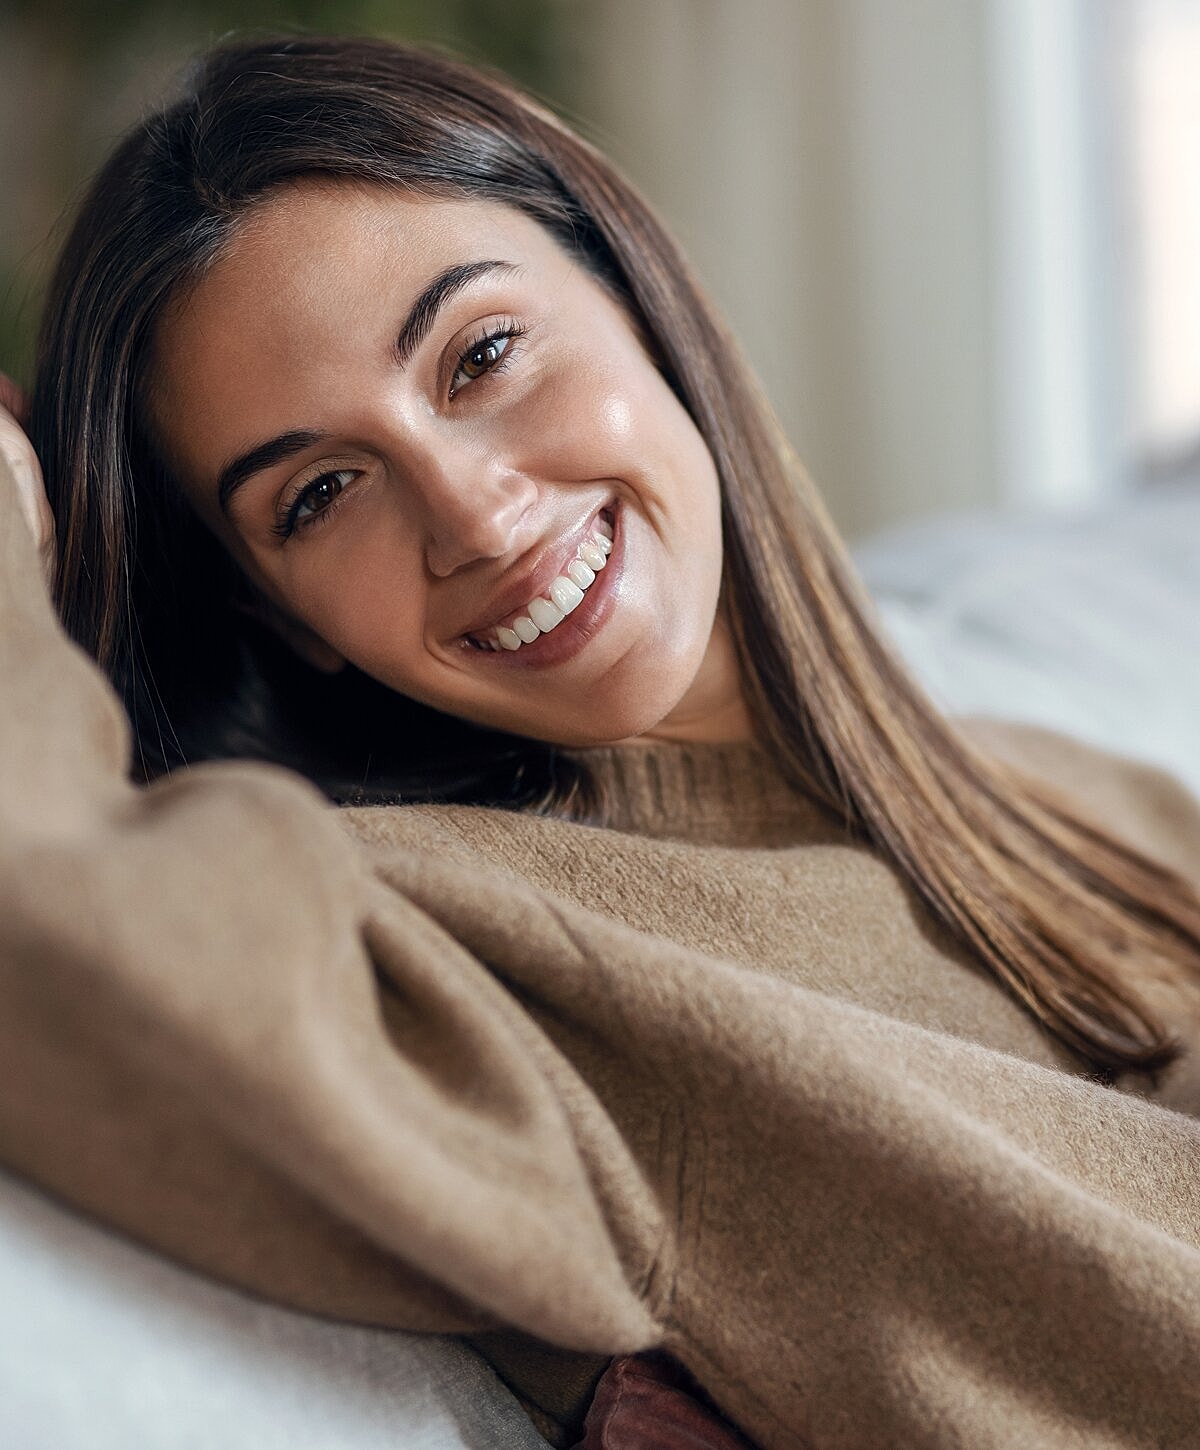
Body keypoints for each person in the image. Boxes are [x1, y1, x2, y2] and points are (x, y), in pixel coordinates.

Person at [2, 32, 1200, 1450]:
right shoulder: (487, 940)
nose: (477, 516)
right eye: (323, 493)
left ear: (638, 293)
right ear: (287, 619)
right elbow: (46, 944)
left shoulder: (1071, 794)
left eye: (483, 354)